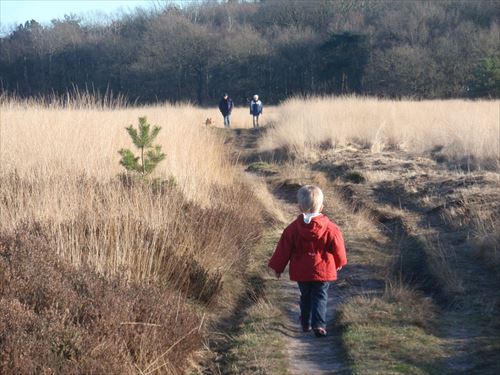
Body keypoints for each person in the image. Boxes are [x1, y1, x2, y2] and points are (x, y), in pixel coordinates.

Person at [268, 185, 347, 337]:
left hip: (301, 271)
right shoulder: (331, 228)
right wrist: (339, 262)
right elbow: (338, 247)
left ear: (299, 207)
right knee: (320, 296)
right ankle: (319, 324)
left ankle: (306, 322)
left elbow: (283, 249)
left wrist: (278, 268)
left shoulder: (292, 229)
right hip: (323, 270)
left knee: (305, 295)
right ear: (322, 207)